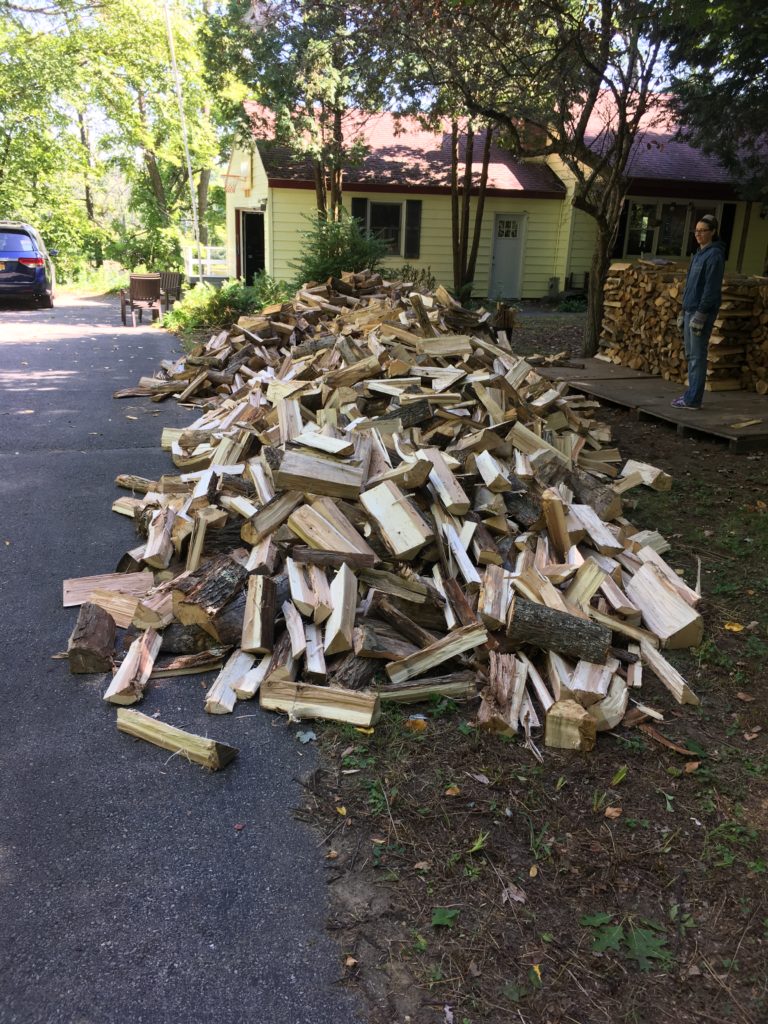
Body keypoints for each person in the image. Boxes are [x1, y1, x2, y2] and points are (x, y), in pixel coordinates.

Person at [672, 214, 726, 409]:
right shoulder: (698, 254)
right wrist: (683, 310)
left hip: (700, 312)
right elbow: (691, 286)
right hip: (689, 309)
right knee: (690, 354)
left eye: (703, 230)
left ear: (712, 232)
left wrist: (701, 314)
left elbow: (711, 288)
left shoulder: (715, 255)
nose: (698, 234)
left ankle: (693, 399)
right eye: (696, 230)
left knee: (697, 356)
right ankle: (690, 395)